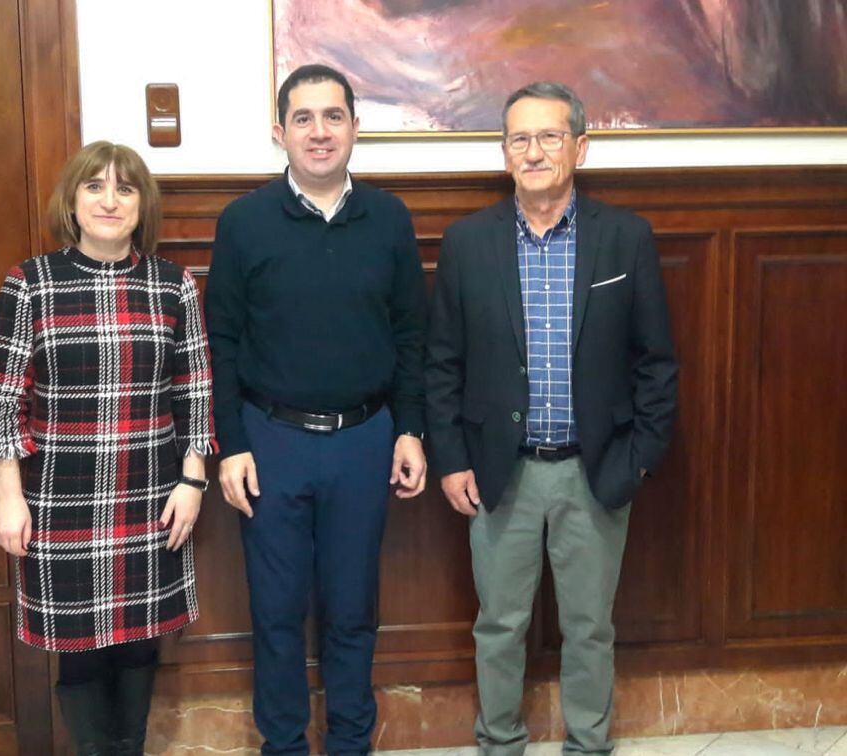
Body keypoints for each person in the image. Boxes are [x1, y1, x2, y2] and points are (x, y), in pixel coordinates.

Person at [426, 82, 678, 755]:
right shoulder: (467, 242)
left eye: (549, 136)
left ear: (580, 147)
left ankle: (589, 744)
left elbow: (657, 362)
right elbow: (441, 363)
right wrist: (451, 459)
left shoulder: (625, 239)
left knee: (591, 626)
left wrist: (638, 458)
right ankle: (499, 742)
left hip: (594, 471)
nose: (533, 151)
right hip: (497, 473)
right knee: (499, 625)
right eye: (519, 138)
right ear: (504, 151)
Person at [204, 64, 428, 755]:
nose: (320, 132)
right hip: (272, 443)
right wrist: (232, 444)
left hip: (365, 440)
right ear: (280, 132)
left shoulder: (389, 219)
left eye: (333, 116)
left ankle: (350, 744)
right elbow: (223, 341)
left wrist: (411, 429)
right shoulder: (243, 222)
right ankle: (284, 746)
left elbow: (412, 336)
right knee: (276, 614)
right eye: (303, 118)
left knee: (353, 610)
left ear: (355, 128)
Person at [0, 141, 215, 756]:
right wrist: (8, 498)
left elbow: (195, 391)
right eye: (95, 187)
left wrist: (193, 481)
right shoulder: (29, 284)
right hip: (61, 500)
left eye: (126, 189)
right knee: (79, 652)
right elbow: (3, 400)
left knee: (140, 645)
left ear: (143, 205)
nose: (110, 200)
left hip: (151, 495)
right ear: (73, 201)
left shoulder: (174, 287)